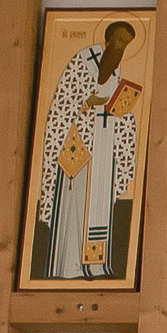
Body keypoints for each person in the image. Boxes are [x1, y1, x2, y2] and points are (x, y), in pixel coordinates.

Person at [34, 20, 142, 282]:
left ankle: (95, 263)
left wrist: (123, 112)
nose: (121, 47)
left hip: (105, 144)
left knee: (99, 205)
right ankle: (69, 265)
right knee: (76, 204)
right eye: (118, 40)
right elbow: (62, 102)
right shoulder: (83, 60)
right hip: (78, 146)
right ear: (107, 39)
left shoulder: (115, 67)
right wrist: (86, 103)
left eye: (126, 43)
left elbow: (113, 102)